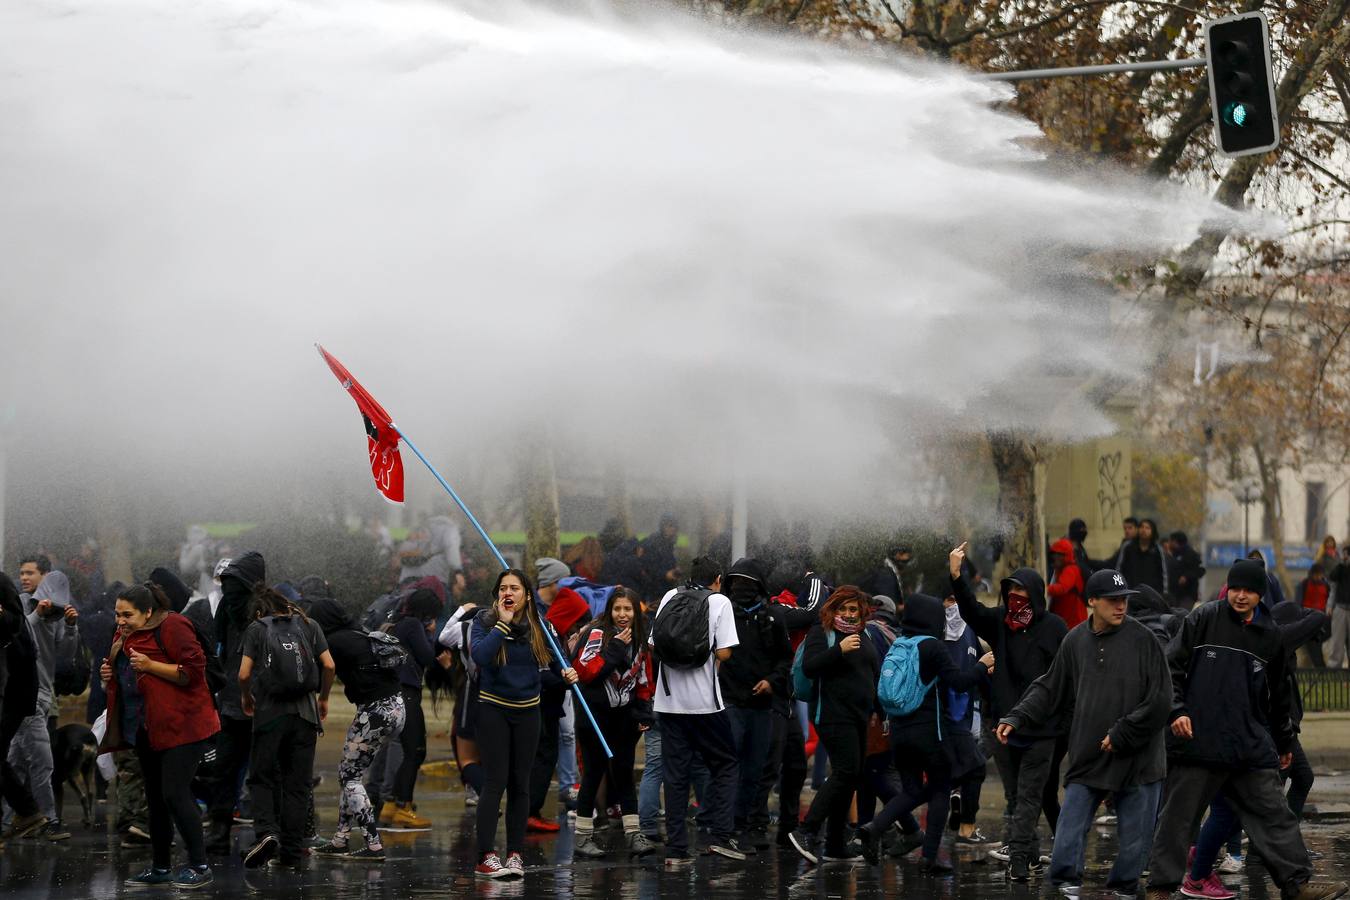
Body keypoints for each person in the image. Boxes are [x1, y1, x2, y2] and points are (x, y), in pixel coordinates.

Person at [1144, 560, 1346, 900]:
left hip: (1247, 745)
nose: (1241, 596)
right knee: (1177, 821)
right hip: (1198, 742)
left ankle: (1298, 886)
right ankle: (1160, 889)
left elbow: (1279, 696)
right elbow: (1170, 666)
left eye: (1249, 590)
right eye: (1236, 588)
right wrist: (1176, 710)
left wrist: (1283, 742)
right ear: (1228, 589)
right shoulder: (1204, 618)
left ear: (1260, 595)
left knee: (1275, 816)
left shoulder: (1270, 636)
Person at [998, 569, 1171, 898]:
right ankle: (1066, 889)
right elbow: (1050, 687)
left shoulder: (1144, 640)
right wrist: (1017, 716)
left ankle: (1124, 891)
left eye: (1124, 600)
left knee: (1134, 849)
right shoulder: (1075, 640)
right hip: (1088, 758)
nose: (1121, 606)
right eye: (1113, 600)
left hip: (1140, 761)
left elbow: (1161, 700)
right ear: (1092, 601)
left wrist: (1123, 733)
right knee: (1067, 839)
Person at [949, 541, 1068, 881]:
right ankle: (1028, 855)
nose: (1016, 596)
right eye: (1010, 590)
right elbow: (971, 611)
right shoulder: (1001, 621)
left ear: (1036, 593)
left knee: (1030, 797)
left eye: (1022, 590)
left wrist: (1065, 723)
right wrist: (956, 576)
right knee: (1016, 796)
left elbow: (1067, 677)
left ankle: (1017, 862)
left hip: (1043, 730)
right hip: (1004, 727)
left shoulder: (1055, 628)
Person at [855, 593, 993, 872]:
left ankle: (875, 827)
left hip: (899, 735)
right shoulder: (933, 647)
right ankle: (929, 858)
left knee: (912, 790)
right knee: (940, 788)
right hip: (930, 735)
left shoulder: (899, 645)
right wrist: (982, 665)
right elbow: (959, 682)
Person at [100, 582, 221, 889]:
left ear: (149, 612)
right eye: (117, 614)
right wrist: (109, 676)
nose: (121, 621)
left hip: (184, 726)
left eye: (127, 614)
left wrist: (152, 665)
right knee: (154, 797)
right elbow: (127, 678)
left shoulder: (174, 625)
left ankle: (200, 865)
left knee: (174, 792)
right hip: (144, 727)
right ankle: (160, 867)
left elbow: (194, 671)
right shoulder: (122, 635)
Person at [470, 570, 578, 879]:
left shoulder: (540, 626)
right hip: (493, 710)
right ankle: (486, 856)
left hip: (529, 712)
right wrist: (502, 622)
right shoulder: (485, 622)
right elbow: (481, 656)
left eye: (514, 588)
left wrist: (568, 676)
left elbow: (558, 666)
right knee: (495, 782)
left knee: (521, 784)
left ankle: (515, 854)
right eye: (503, 587)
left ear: (526, 595)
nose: (509, 592)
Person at [650, 560, 743, 865]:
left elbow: (654, 642)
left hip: (668, 703)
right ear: (718, 579)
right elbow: (726, 651)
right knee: (726, 764)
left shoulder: (669, 596)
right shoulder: (720, 601)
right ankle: (720, 835)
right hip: (706, 704)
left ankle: (676, 849)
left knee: (676, 775)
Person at [237, 586, 336, 872]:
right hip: (305, 717)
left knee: (262, 778)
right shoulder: (309, 625)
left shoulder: (257, 628)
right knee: (297, 785)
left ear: (259, 611)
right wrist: (324, 697)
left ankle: (267, 832)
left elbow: (243, 673)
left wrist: (246, 696)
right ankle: (291, 854)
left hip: (270, 716)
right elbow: (329, 665)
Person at [788, 586, 882, 866]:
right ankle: (806, 830)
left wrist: (878, 709)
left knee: (852, 776)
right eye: (843, 609)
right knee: (844, 772)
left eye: (853, 609)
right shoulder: (822, 632)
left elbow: (870, 672)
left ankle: (835, 843)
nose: (848, 614)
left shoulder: (864, 634)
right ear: (833, 609)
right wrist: (838, 650)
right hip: (833, 715)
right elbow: (810, 667)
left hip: (860, 716)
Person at [307, 598, 405, 862]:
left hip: (374, 713)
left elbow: (318, 673)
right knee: (351, 775)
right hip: (396, 708)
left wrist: (321, 696)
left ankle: (373, 844)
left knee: (349, 778)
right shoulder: (356, 634)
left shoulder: (333, 643)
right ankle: (340, 840)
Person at [571, 587, 655, 859]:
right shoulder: (597, 634)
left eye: (628, 609)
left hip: (624, 719)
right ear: (610, 611)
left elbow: (644, 679)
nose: (622, 615)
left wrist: (643, 712)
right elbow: (585, 673)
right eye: (617, 609)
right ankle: (583, 837)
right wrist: (615, 648)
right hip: (594, 718)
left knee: (624, 774)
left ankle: (633, 834)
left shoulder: (640, 640)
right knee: (593, 774)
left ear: (635, 612)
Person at [715, 558, 792, 852]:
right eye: (736, 583)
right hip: (730, 701)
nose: (741, 589)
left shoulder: (772, 618)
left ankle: (747, 825)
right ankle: (726, 826)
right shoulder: (722, 615)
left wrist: (772, 681)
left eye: (747, 583)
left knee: (755, 768)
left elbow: (786, 658)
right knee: (729, 764)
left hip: (762, 704)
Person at [9, 568, 81, 840]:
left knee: (13, 761)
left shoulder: (59, 615)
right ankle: (49, 820)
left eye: (30, 572)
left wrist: (71, 627)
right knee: (42, 761)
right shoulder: (24, 608)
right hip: (26, 694)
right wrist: (38, 615)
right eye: (22, 572)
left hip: (42, 694)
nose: (25, 577)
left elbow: (65, 655)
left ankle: (8, 822)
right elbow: (16, 635)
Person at [205, 551, 265, 855]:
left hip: (254, 702)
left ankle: (263, 835)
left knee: (257, 772)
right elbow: (222, 651)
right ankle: (221, 831)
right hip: (235, 702)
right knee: (228, 771)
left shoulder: (262, 611)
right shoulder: (229, 609)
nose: (230, 592)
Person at [526, 558, 588, 834]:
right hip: (540, 696)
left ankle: (531, 809)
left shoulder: (547, 612)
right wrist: (560, 677)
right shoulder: (536, 616)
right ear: (553, 582)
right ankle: (530, 812)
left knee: (546, 752)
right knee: (542, 754)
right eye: (563, 581)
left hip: (550, 695)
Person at [379, 586, 447, 830]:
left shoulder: (398, 623)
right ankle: (403, 806)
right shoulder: (413, 625)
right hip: (407, 694)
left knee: (409, 749)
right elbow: (428, 657)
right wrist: (431, 635)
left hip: (396, 693)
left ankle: (390, 806)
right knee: (415, 751)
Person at [0, 572, 44, 840]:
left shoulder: (2, 584)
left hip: (11, 687)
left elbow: (14, 624)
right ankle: (27, 811)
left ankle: (28, 811)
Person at [438, 601, 485, 807]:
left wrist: (461, 610)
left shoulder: (465, 629)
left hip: (472, 698)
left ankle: (483, 793)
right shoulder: (500, 628)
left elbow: (443, 636)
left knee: (467, 758)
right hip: (498, 695)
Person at [1116, 518, 1169, 595]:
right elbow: (1119, 568)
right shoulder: (1128, 547)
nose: (1144, 530)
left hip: (1151, 593)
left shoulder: (1157, 550)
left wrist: (1164, 593)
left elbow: (1163, 573)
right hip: (1130, 591)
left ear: (1152, 531)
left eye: (1147, 528)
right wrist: (1118, 588)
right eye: (1141, 527)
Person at [639, 515, 682, 602]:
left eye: (674, 526)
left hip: (666, 587)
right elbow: (647, 567)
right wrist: (664, 574)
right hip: (654, 589)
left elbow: (667, 560)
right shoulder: (654, 543)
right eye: (669, 526)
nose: (672, 529)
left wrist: (674, 568)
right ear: (663, 526)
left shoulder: (669, 542)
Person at [1296, 565, 1331, 668]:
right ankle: (1321, 669)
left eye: (1320, 574)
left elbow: (1330, 602)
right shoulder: (1304, 584)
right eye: (1316, 574)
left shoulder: (1326, 585)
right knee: (1313, 644)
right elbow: (1298, 603)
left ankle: (1320, 669)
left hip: (1324, 621)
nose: (1318, 577)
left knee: (1315, 643)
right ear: (1312, 574)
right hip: (1309, 620)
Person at [1047, 539, 1087, 629]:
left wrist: (1043, 589)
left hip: (1073, 620)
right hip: (1067, 619)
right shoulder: (1060, 570)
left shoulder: (1070, 569)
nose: (1055, 557)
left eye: (1060, 554)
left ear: (1067, 556)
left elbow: (1062, 588)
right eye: (1054, 554)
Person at [1168, 532, 1206, 609]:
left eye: (1170, 541)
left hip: (1188, 595)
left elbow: (1201, 570)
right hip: (1174, 594)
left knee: (1182, 615)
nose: (1169, 544)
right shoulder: (1173, 554)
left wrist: (1186, 576)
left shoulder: (1191, 554)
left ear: (1175, 541)